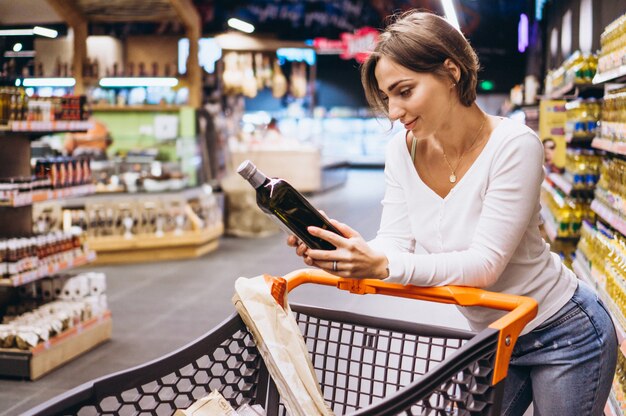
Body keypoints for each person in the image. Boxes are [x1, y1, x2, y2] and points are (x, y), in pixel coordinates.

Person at [287, 10, 617, 416]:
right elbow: (394, 242)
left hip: (562, 332)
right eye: (387, 96)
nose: (393, 112)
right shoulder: (401, 150)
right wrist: (352, 254)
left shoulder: (515, 145)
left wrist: (382, 265)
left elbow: (485, 265)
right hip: (495, 335)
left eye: (404, 91)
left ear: (451, 72)